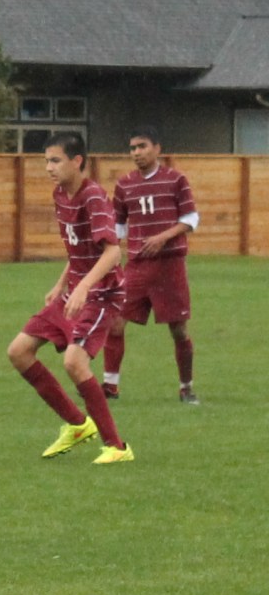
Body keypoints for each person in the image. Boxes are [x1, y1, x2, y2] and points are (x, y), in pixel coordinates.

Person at [6, 132, 132, 465]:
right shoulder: (60, 194)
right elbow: (78, 248)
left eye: (55, 160)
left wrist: (83, 287)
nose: (49, 167)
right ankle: (77, 425)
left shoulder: (93, 197)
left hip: (102, 295)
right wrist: (61, 283)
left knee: (74, 362)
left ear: (77, 161)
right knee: (19, 351)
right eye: (46, 161)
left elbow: (112, 252)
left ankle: (117, 447)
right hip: (75, 291)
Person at [103, 126, 201, 404]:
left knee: (178, 329)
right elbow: (118, 227)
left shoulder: (176, 180)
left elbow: (191, 219)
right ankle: (110, 386)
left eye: (142, 146)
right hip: (137, 266)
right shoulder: (124, 185)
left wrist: (163, 237)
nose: (136, 152)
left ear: (157, 148)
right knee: (115, 322)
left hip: (170, 266)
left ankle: (186, 388)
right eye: (132, 148)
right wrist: (107, 255)